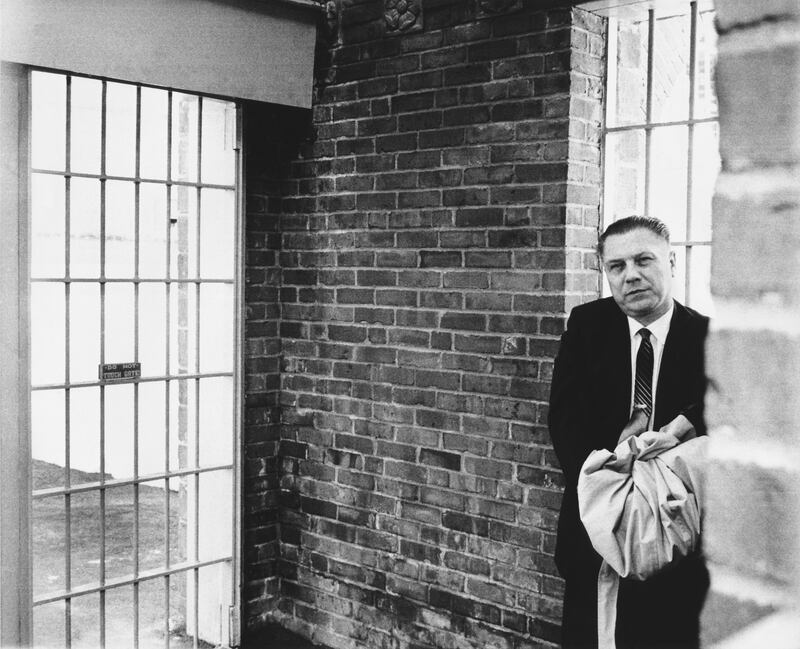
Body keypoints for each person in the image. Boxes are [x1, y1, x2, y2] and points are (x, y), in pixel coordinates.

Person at [548, 216, 709, 649]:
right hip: (598, 525)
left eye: (643, 260)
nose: (630, 275)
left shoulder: (708, 337)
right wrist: (613, 495)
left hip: (678, 534)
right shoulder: (587, 326)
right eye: (616, 266)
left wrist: (686, 423)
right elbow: (565, 423)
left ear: (671, 262)